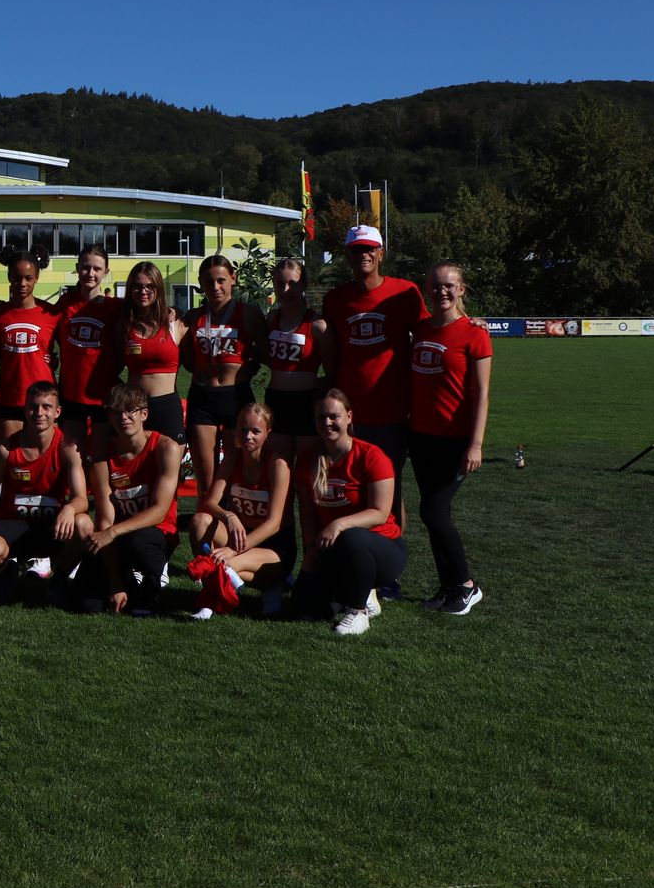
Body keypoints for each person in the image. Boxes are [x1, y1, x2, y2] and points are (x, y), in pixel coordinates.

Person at [320, 225, 427, 528]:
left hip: (391, 412)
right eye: (356, 250)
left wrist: (467, 322)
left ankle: (392, 550)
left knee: (389, 489)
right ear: (347, 255)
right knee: (349, 488)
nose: (363, 255)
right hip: (348, 415)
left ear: (381, 253)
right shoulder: (335, 299)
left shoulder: (405, 292)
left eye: (369, 249)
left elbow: (430, 331)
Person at [409, 261, 492, 616]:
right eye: (435, 285)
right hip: (420, 437)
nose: (441, 291)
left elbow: (481, 394)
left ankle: (467, 585)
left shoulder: (474, 333)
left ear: (461, 290)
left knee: (433, 511)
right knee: (434, 515)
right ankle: (448, 588)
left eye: (448, 285)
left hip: (455, 440)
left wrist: (476, 444)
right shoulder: (420, 328)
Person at [295, 389, 404, 636]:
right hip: (333, 547)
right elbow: (307, 513)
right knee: (306, 608)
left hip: (381, 549)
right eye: (321, 417)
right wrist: (310, 548)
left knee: (351, 536)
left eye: (334, 416)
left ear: (349, 417)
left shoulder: (372, 456)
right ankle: (349, 593)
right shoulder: (307, 458)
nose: (327, 422)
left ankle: (358, 610)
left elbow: (380, 512)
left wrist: (339, 524)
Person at [0, 381, 90, 597]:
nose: (39, 413)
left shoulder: (68, 448)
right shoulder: (5, 448)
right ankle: (6, 571)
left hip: (51, 525)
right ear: (25, 410)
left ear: (57, 412)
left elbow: (81, 499)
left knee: (83, 524)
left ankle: (60, 577)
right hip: (14, 523)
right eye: (33, 406)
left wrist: (69, 509)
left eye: (47, 407)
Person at [80, 383, 183, 616]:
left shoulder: (166, 447)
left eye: (130, 410)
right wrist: (115, 584)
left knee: (139, 542)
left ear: (144, 414)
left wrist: (113, 532)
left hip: (155, 533)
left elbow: (159, 511)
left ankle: (153, 578)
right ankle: (127, 579)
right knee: (88, 604)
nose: (123, 417)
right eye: (116, 412)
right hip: (117, 536)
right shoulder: (102, 456)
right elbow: (105, 518)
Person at [186, 402, 294, 620]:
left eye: (256, 431)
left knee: (226, 563)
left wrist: (233, 550)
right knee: (200, 521)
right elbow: (209, 503)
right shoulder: (233, 457)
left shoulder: (278, 465)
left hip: (274, 546)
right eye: (243, 430)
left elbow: (274, 523)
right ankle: (223, 586)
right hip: (240, 536)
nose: (248, 436)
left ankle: (210, 601)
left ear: (268, 434)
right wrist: (229, 516)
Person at [181, 254, 267, 489]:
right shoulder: (193, 317)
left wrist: (248, 366)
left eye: (221, 280)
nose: (215, 287)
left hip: (236, 397)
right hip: (202, 398)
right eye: (209, 282)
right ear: (200, 283)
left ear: (233, 279)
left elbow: (265, 353)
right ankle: (207, 512)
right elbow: (188, 361)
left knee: (235, 474)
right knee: (206, 479)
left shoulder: (249, 314)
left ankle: (233, 511)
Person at [261, 258, 330, 465]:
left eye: (292, 283)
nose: (285, 289)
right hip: (276, 401)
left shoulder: (317, 325)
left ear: (304, 285)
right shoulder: (271, 319)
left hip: (306, 403)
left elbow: (333, 372)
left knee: (307, 469)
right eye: (280, 283)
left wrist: (313, 387)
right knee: (278, 465)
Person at [54, 245, 123, 446]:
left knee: (100, 455)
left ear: (106, 272)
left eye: (97, 269)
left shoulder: (116, 307)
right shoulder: (65, 303)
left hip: (104, 395)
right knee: (72, 453)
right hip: (71, 394)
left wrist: (173, 312)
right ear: (77, 267)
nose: (90, 273)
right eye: (85, 267)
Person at [0, 249, 58, 447]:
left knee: (45, 456)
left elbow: (73, 350)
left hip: (44, 400)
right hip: (11, 398)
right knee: (11, 456)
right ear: (9, 277)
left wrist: (55, 361)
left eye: (28, 278)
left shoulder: (52, 314)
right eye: (16, 278)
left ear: (37, 278)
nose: (22, 283)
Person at [119, 261, 187, 441]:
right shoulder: (123, 325)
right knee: (136, 459)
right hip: (134, 408)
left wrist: (177, 311)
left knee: (170, 457)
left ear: (158, 290)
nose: (143, 291)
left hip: (166, 406)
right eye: (138, 286)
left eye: (150, 286)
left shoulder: (175, 324)